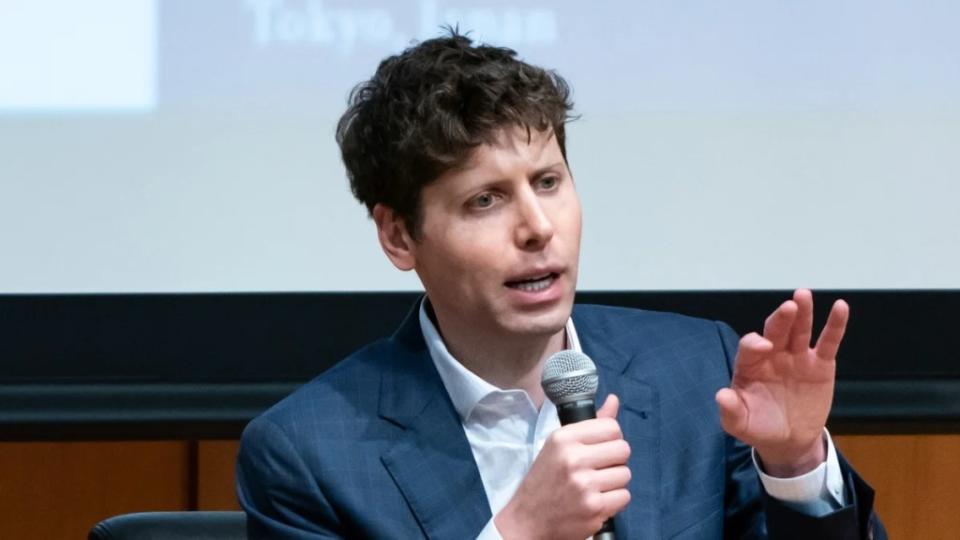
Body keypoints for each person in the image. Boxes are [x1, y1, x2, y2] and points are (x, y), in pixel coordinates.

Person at [236, 30, 885, 539]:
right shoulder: (308, 456)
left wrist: (796, 463)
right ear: (399, 237)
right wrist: (519, 533)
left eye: (548, 182)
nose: (539, 227)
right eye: (486, 201)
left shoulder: (697, 373)